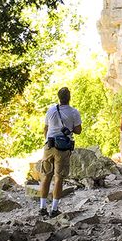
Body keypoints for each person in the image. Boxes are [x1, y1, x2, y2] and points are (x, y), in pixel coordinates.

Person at [38, 87, 82, 218]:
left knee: (46, 176)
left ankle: (42, 207)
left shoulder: (51, 110)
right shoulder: (74, 112)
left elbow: (45, 128)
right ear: (69, 97)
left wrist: (47, 140)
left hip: (49, 145)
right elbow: (78, 130)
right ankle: (54, 209)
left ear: (59, 97)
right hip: (63, 148)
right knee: (59, 178)